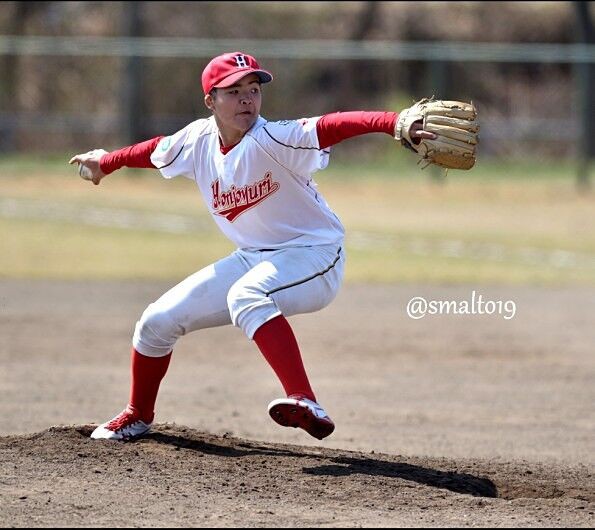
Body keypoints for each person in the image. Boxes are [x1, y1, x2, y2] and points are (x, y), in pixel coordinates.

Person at [69, 52, 435, 442]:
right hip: (253, 257)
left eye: (254, 89)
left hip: (314, 254)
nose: (247, 99)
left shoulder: (274, 137)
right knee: (155, 322)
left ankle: (305, 400)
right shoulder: (197, 139)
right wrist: (107, 162)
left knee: (247, 296)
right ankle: (137, 414)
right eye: (234, 91)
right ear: (210, 101)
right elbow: (157, 149)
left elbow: (332, 126)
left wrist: (393, 122)